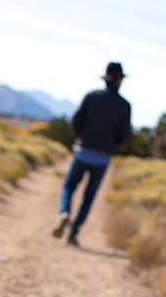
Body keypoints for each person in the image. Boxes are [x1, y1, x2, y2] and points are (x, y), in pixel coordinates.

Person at [52, 62, 131, 246]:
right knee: (89, 196)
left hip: (82, 152)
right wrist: (111, 145)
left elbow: (75, 120)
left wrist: (82, 138)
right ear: (120, 80)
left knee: (69, 187)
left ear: (105, 79)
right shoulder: (124, 106)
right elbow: (125, 135)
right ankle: (73, 233)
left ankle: (64, 213)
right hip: (103, 157)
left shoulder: (92, 96)